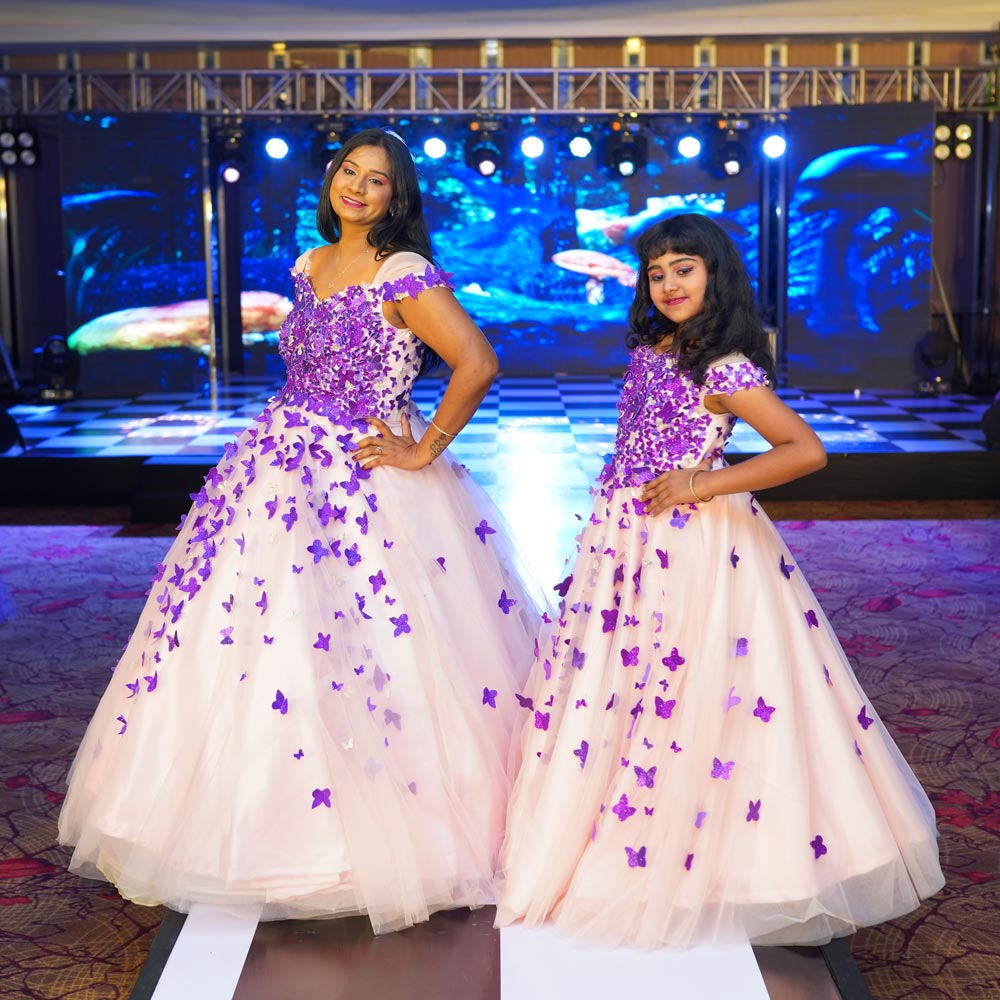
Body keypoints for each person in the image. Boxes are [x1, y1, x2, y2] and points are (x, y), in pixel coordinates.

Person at [58, 128, 543, 933]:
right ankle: (252, 826)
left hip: (369, 479)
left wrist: (423, 447)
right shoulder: (310, 265)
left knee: (378, 647)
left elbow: (477, 362)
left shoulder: (404, 272)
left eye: (376, 180)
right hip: (277, 472)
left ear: (398, 196)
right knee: (253, 637)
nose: (357, 188)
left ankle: (394, 834)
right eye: (349, 173)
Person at [494, 214, 944, 949]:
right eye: (657, 271)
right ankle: (601, 822)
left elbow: (804, 451)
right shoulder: (652, 346)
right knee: (617, 682)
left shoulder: (725, 365)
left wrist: (704, 480)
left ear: (716, 275)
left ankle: (702, 845)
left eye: (685, 269)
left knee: (695, 686)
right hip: (625, 538)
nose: (669, 283)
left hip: (692, 545)